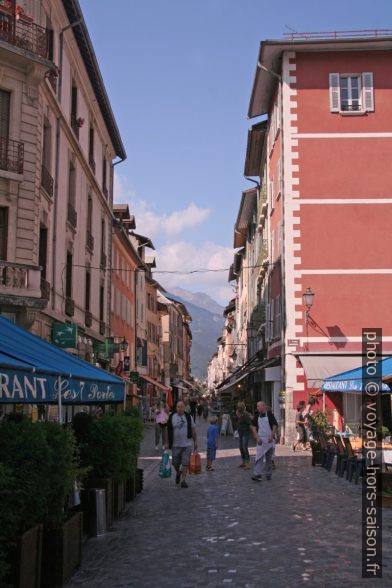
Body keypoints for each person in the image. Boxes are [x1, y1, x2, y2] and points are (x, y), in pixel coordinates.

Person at [166, 400, 197, 488]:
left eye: (181, 407)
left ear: (184, 407)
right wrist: (167, 442)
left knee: (185, 463)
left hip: (187, 444)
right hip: (175, 445)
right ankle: (178, 473)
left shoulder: (188, 417)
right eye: (178, 407)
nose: (180, 408)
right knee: (175, 463)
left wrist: (195, 442)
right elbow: (167, 430)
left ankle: (183, 481)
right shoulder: (172, 417)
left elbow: (193, 430)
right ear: (176, 408)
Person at [250, 401, 278, 482]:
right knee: (259, 457)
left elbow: (274, 425)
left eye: (259, 406)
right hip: (261, 439)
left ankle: (268, 474)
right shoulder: (256, 416)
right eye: (257, 406)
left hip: (269, 439)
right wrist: (257, 437)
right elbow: (253, 427)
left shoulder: (269, 415)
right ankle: (257, 474)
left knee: (269, 458)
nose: (257, 408)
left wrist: (272, 435)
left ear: (264, 406)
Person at [236, 401, 252, 469]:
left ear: (241, 407)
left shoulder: (245, 415)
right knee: (241, 447)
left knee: (245, 447)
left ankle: (247, 463)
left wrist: (254, 433)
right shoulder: (239, 414)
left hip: (246, 433)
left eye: (239, 407)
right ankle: (243, 462)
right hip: (240, 433)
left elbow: (250, 423)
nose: (238, 408)